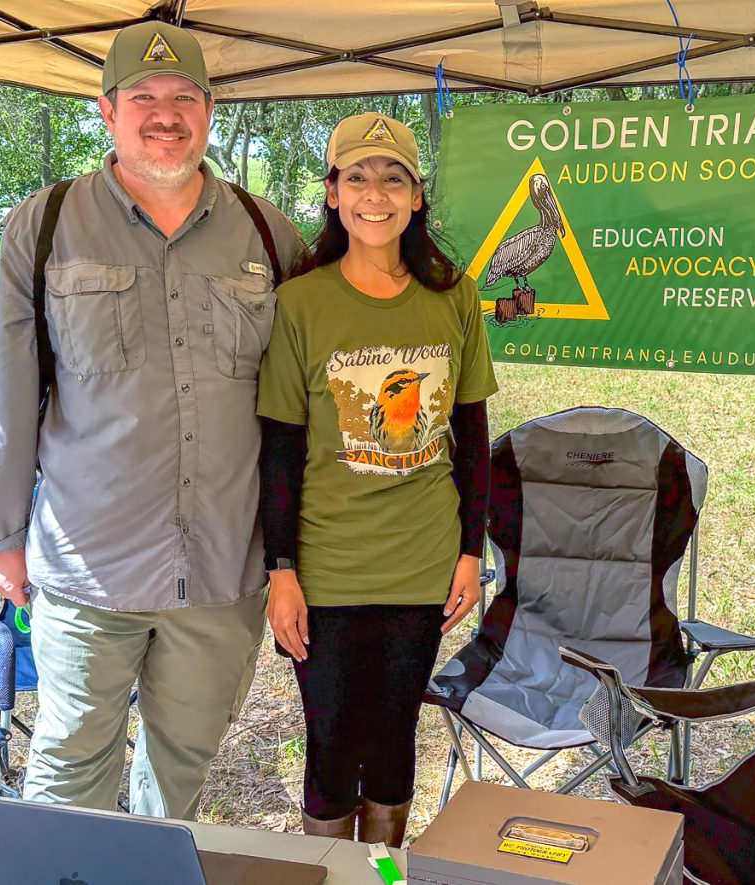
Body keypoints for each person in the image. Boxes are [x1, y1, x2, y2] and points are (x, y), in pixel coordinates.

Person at [0, 21, 305, 818]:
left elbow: (302, 406)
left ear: (210, 111)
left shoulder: (269, 234)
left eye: (184, 97)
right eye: (144, 97)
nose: (166, 114)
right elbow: (4, 389)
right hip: (89, 565)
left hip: (222, 567)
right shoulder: (46, 223)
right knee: (67, 772)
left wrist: (295, 553)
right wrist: (1, 533)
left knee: (180, 771)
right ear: (108, 110)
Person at [257, 112, 497, 846]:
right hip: (326, 569)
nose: (375, 194)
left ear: (416, 197)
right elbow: (280, 449)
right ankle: (329, 874)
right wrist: (281, 571)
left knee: (394, 740)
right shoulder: (301, 302)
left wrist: (470, 551)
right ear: (332, 194)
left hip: (422, 564)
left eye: (394, 179)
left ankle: (385, 874)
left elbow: (474, 439)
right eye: (356, 177)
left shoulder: (454, 295)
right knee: (331, 745)